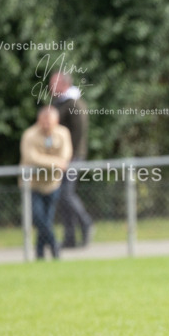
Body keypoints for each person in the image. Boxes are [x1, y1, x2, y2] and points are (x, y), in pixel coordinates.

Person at [20, 106, 72, 260]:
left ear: (56, 121)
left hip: (52, 183)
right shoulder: (29, 135)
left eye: (49, 122)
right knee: (39, 218)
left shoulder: (62, 133)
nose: (46, 125)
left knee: (47, 220)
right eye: (44, 122)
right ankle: (54, 245)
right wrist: (55, 163)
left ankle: (40, 253)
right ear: (38, 120)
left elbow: (65, 155)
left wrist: (51, 162)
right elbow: (31, 158)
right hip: (32, 185)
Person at [50, 72, 93, 248]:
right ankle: (70, 238)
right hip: (60, 158)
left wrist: (69, 157)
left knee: (66, 194)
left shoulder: (74, 103)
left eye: (54, 83)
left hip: (72, 158)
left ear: (64, 84)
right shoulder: (59, 103)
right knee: (62, 197)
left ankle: (85, 222)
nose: (50, 86)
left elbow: (78, 133)